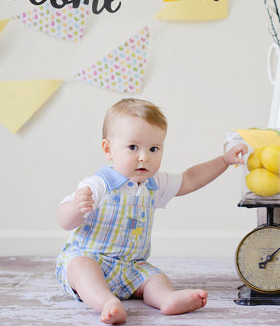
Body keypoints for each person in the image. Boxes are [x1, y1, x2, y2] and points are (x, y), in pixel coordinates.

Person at [56, 98, 247, 324]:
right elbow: (64, 220)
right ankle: (106, 302)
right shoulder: (99, 184)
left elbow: (190, 178)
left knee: (153, 277)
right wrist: (76, 209)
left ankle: (166, 299)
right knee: (80, 267)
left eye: (154, 148)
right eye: (133, 147)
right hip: (92, 259)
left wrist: (224, 161)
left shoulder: (153, 184)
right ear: (108, 149)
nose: (144, 156)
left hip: (131, 266)